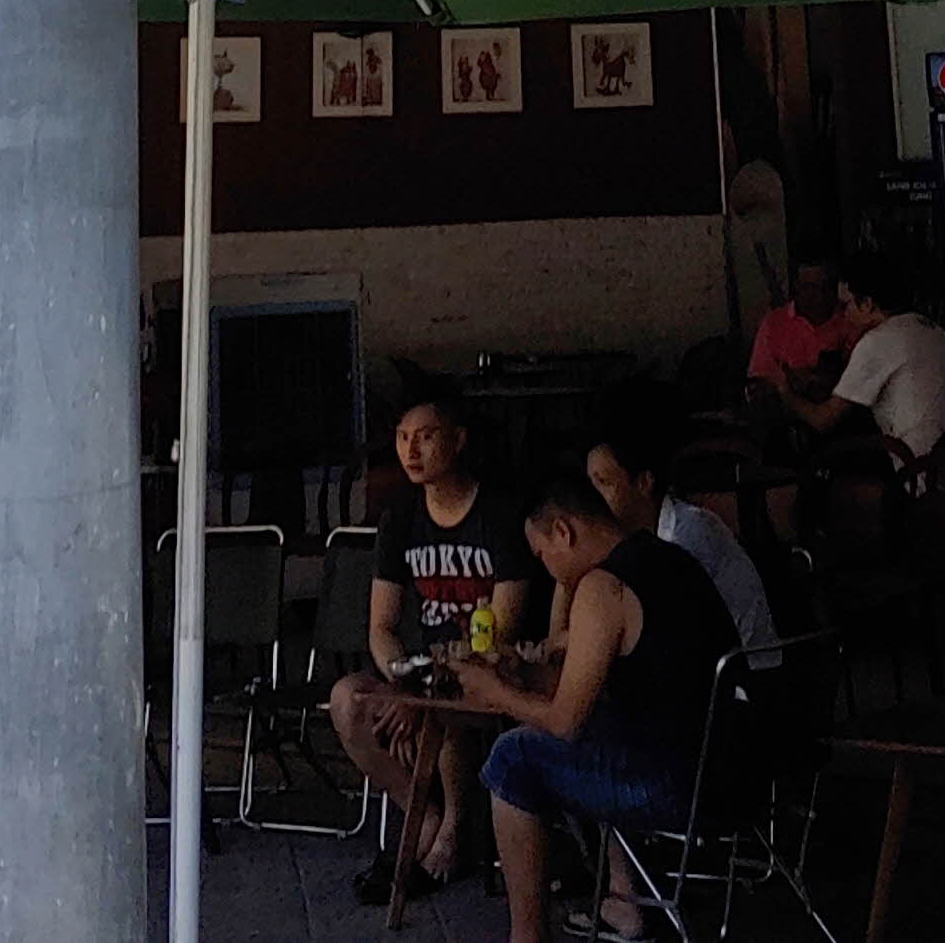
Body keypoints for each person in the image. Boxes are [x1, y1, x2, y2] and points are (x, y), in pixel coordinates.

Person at [454, 467, 737, 943]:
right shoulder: (670, 560)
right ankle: (627, 899)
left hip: (677, 785)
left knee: (513, 757)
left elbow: (564, 720)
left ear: (563, 532)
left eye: (542, 554)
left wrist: (494, 692)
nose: (547, 568)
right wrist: (522, 676)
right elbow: (591, 686)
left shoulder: (603, 587)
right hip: (734, 769)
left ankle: (527, 936)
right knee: (588, 734)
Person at [327, 387, 537, 902]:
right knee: (347, 700)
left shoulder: (500, 514)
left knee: (442, 708)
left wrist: (423, 693)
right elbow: (381, 626)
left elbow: (502, 630)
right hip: (421, 671)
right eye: (402, 438)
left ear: (458, 440)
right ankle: (423, 815)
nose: (411, 451)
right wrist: (405, 682)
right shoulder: (400, 518)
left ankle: (454, 832)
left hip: (484, 669)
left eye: (425, 436)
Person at [584, 395, 774, 649]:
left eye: (604, 483)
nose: (593, 498)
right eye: (591, 484)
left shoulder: (689, 534)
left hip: (741, 665)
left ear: (643, 482)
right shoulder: (636, 537)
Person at [781, 252, 945, 467]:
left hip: (924, 470)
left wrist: (784, 391)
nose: (843, 315)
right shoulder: (925, 326)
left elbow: (824, 420)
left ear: (867, 304)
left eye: (846, 305)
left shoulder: (876, 341)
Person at [745, 255, 849, 406]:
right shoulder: (774, 323)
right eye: (811, 288)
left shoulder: (850, 318)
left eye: (827, 287)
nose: (820, 296)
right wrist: (789, 382)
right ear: (797, 287)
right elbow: (757, 387)